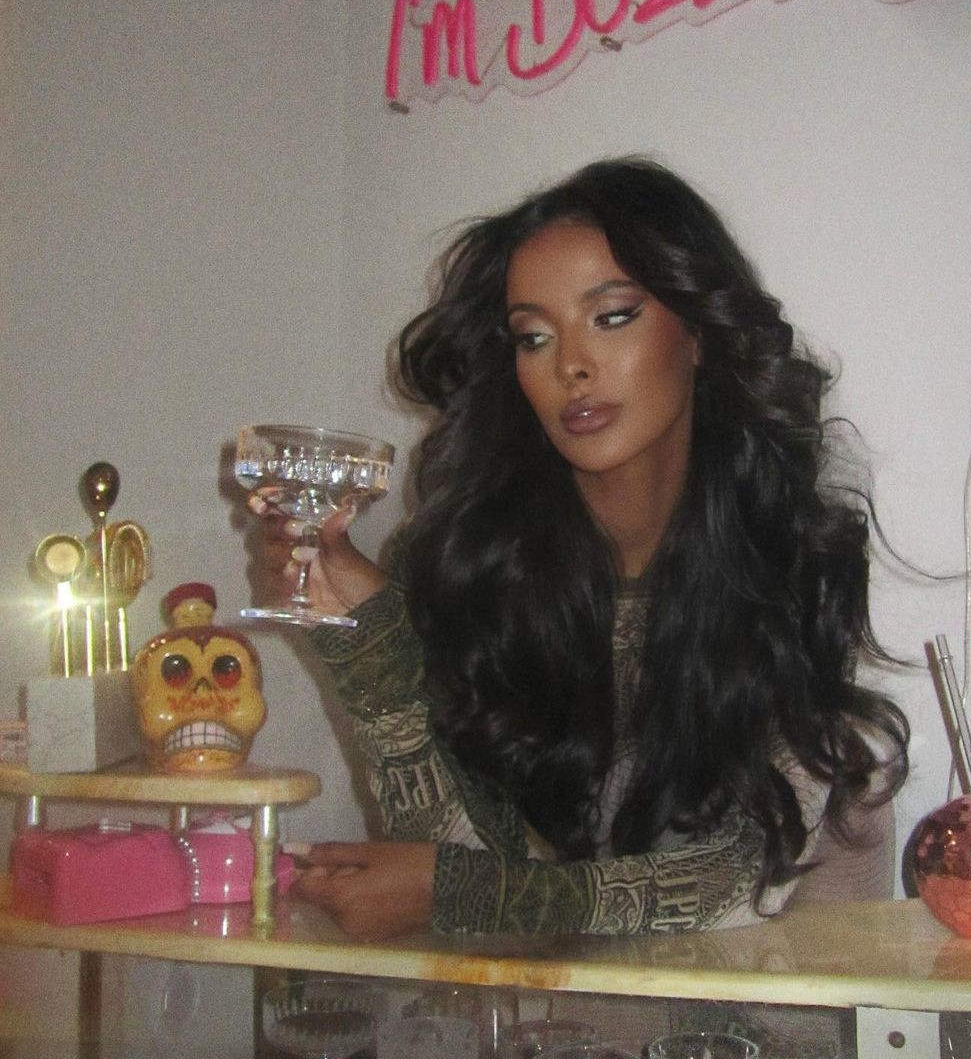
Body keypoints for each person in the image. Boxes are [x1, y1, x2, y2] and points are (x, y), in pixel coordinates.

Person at [247, 156, 909, 940]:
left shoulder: (786, 554)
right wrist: (365, 632)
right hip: (572, 1003)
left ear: (698, 333)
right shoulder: (481, 568)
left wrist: (460, 894)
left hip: (783, 994)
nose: (571, 366)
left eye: (612, 317)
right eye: (533, 336)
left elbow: (734, 884)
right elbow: (463, 863)